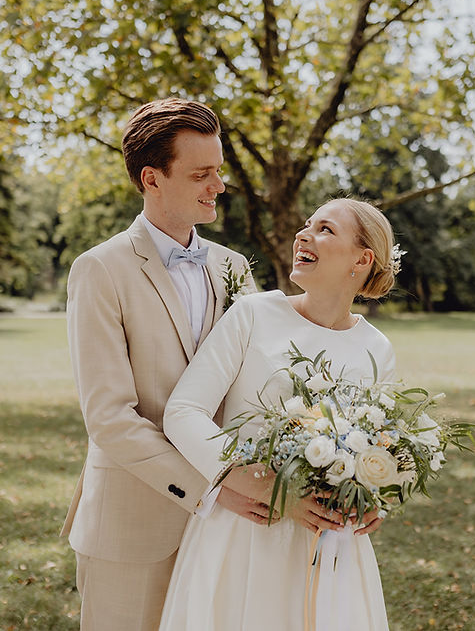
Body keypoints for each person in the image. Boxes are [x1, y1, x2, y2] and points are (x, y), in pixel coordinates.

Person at [59, 97, 260, 631]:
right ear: (152, 178)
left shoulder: (234, 267)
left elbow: (254, 384)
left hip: (226, 528)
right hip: (131, 525)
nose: (218, 186)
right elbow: (109, 418)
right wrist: (215, 486)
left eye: (219, 170)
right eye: (201, 174)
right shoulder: (99, 270)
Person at [158, 197, 400, 630]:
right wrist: (265, 487)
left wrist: (372, 499)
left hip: (332, 544)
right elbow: (183, 412)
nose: (304, 235)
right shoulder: (253, 314)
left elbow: (380, 440)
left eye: (325, 229)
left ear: (362, 259)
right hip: (247, 530)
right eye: (306, 225)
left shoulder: (377, 348)